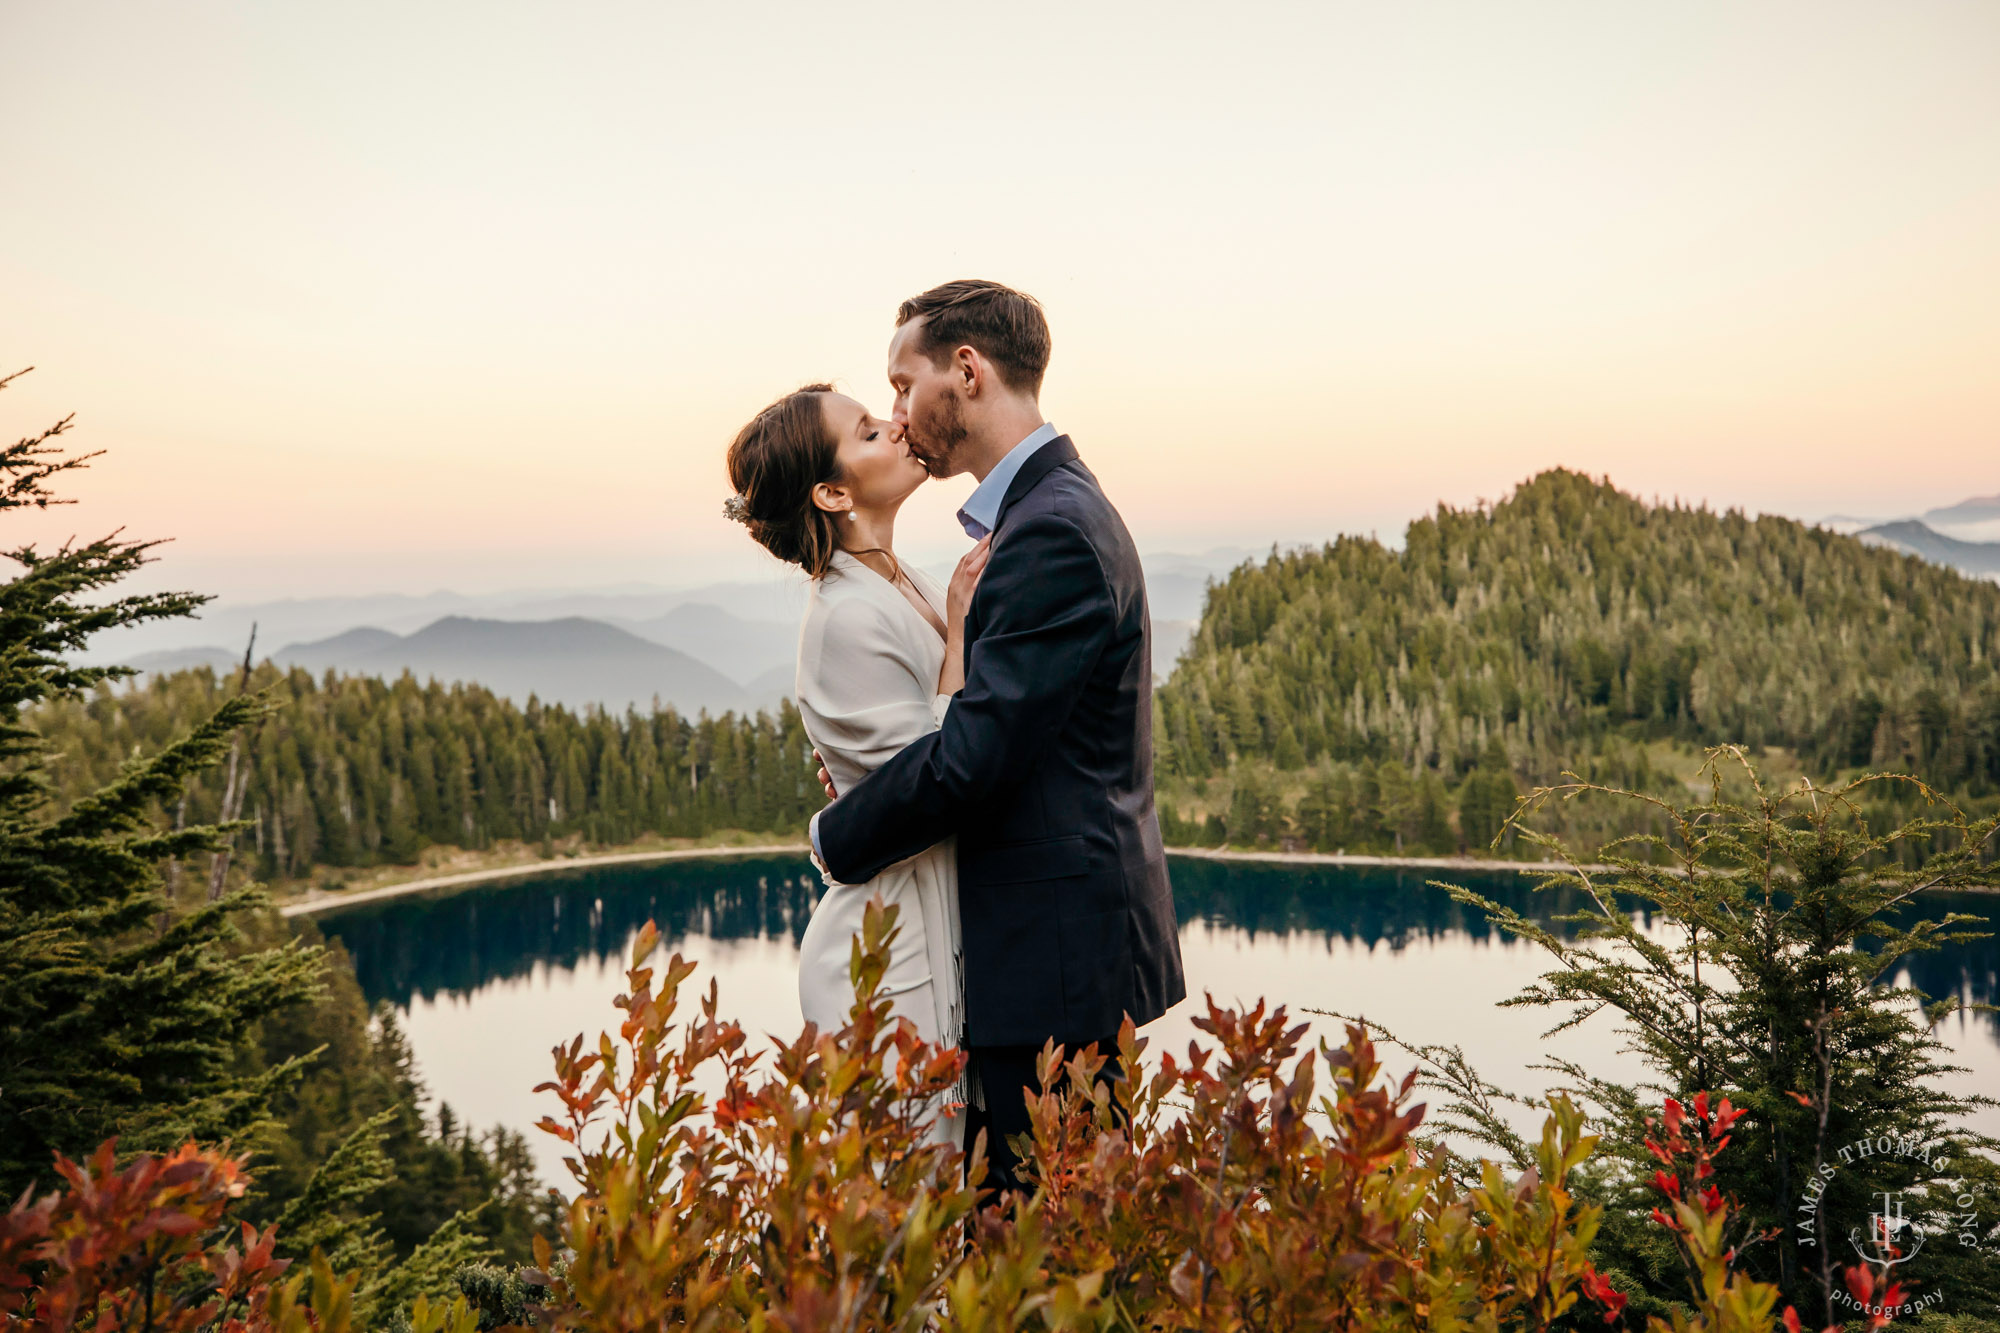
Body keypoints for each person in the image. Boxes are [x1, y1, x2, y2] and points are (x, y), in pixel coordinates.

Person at [810, 279, 1186, 1191]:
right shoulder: (1045, 513)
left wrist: (841, 829)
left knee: (1042, 1265)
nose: (899, 413)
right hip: (1055, 963)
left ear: (966, 372)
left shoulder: (1050, 529)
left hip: (1052, 972)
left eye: (905, 385)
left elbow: (975, 756)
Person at [723, 382, 991, 1148]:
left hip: (924, 913)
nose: (899, 425)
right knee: (912, 1201)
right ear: (834, 492)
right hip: (887, 953)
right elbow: (943, 778)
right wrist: (961, 636)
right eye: (870, 430)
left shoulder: (894, 580)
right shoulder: (844, 618)